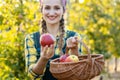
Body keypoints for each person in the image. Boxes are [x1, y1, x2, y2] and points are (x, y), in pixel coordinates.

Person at [25, 0, 82, 80]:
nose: (51, 13)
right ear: (42, 10)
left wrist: (74, 49)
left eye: (57, 8)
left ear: (63, 10)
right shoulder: (32, 39)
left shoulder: (73, 37)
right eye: (47, 8)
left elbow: (78, 72)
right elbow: (32, 75)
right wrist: (43, 59)